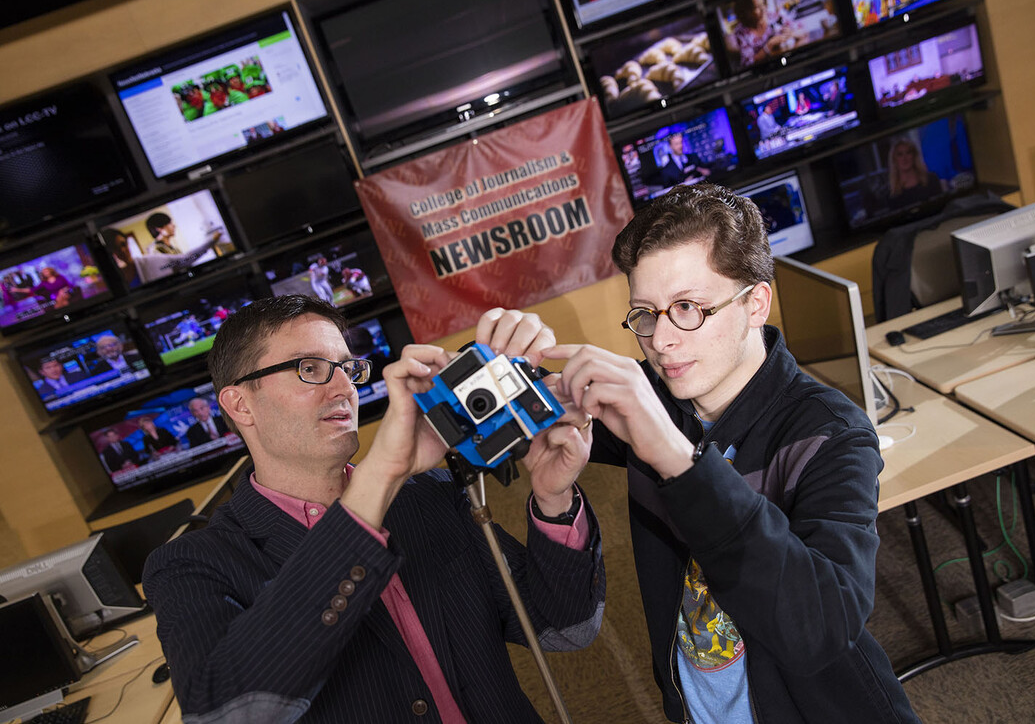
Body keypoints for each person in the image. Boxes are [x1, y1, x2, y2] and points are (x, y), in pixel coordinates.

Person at [543, 183, 918, 723]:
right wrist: (509, 363)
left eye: (688, 308)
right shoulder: (659, 398)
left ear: (756, 303)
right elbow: (542, 410)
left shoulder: (830, 432)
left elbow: (823, 628)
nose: (662, 340)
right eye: (645, 314)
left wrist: (678, 458)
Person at [142, 295, 605, 722]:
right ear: (240, 403)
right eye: (310, 368)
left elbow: (568, 628)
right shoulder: (189, 565)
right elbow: (225, 712)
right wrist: (381, 475)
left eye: (348, 367)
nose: (344, 388)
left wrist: (553, 498)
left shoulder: (431, 494)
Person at [727, 0, 806, 68]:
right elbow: (748, 63)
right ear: (746, 12)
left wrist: (791, 34)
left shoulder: (773, 16)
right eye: (757, 7)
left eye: (763, 4)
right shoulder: (741, 32)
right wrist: (769, 45)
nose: (763, 9)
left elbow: (803, 31)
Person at [887, 138, 944, 212]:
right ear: (894, 159)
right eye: (900, 154)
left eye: (908, 152)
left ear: (914, 155)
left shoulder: (931, 179)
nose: (905, 158)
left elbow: (942, 208)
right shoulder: (891, 193)